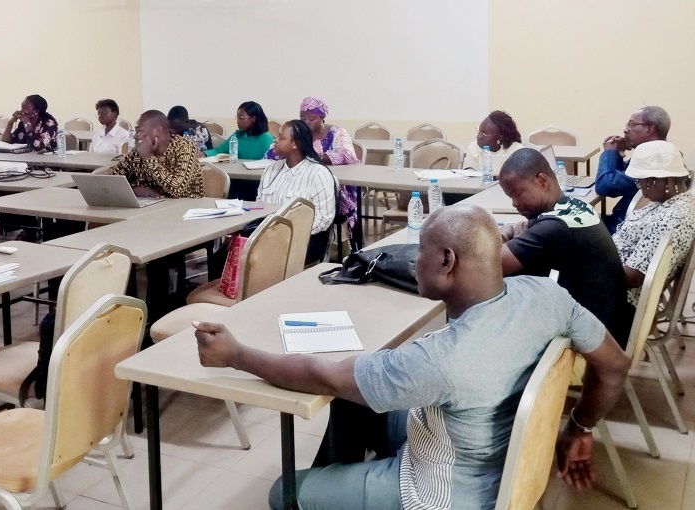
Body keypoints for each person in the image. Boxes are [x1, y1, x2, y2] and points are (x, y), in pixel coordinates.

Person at [192, 204, 631, 510]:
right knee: (351, 402)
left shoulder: (441, 359)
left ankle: (342, 493)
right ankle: (347, 490)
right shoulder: (547, 295)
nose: (413, 259)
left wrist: (236, 354)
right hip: (491, 455)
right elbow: (614, 366)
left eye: (420, 250)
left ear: (446, 261)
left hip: (442, 494)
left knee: (283, 492)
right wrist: (579, 427)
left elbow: (324, 376)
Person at [499, 148, 630, 347]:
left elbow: (492, 266)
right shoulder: (574, 207)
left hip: (594, 338)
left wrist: (503, 237)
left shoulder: (556, 227)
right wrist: (513, 237)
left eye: (517, 194)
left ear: (542, 181)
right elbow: (525, 230)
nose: (514, 203)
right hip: (609, 321)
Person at [612, 140, 695, 320]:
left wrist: (592, 264)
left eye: (643, 181)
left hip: (618, 300)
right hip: (614, 282)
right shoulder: (674, 202)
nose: (641, 188)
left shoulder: (670, 219)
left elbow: (633, 277)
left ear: (664, 180)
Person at [264, 97, 362, 249]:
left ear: (322, 117)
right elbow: (272, 152)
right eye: (302, 118)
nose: (306, 122)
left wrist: (318, 157)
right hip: (301, 181)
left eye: (311, 118)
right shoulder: (298, 134)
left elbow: (349, 156)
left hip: (334, 183)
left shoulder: (336, 132)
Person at [257, 120, 336, 263]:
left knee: (263, 258)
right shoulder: (271, 170)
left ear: (295, 144)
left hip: (305, 239)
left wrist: (286, 232)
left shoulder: (318, 173)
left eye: (281, 137)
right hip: (269, 236)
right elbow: (260, 207)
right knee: (230, 253)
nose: (275, 140)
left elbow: (323, 219)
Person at [596, 106, 670, 233]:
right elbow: (622, 176)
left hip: (623, 230)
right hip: (627, 223)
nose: (625, 130)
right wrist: (618, 152)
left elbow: (605, 186)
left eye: (631, 124)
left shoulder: (653, 160)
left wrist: (609, 152)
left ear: (650, 129)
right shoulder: (657, 152)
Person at [108, 110, 204, 198]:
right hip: (153, 206)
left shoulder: (185, 147)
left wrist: (148, 157)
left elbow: (177, 190)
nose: (135, 136)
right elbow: (110, 179)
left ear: (157, 131)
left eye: (140, 131)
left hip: (186, 205)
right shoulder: (138, 152)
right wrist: (133, 189)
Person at [462, 110, 524, 177]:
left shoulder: (517, 152)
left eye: (485, 134)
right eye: (479, 130)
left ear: (500, 137)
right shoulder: (474, 147)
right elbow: (467, 172)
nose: (479, 136)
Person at [204, 101, 274, 160]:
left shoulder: (266, 138)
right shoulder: (237, 135)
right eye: (237, 117)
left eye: (241, 118)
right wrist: (204, 154)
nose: (238, 121)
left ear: (253, 118)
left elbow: (268, 162)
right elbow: (219, 151)